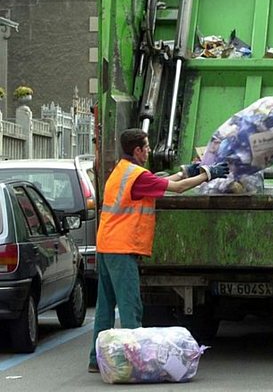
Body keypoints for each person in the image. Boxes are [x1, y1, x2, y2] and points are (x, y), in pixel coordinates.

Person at [88, 128, 228, 373]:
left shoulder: (123, 171)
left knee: (105, 307)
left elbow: (165, 182)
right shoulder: (137, 176)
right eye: (147, 146)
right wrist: (208, 174)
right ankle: (132, 364)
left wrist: (188, 170)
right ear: (137, 150)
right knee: (131, 308)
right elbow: (180, 188)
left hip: (107, 246)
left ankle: (96, 360)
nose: (150, 150)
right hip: (121, 249)